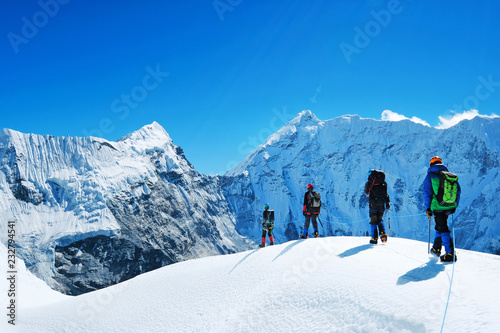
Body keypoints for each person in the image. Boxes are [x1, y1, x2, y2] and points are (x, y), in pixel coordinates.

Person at [424, 156, 461, 262]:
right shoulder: (450, 176)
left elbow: (427, 193)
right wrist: (454, 205)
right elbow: (458, 191)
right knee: (440, 225)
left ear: (431, 164)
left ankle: (450, 254)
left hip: (438, 206)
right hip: (449, 206)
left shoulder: (431, 175)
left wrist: (428, 208)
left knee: (443, 227)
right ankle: (436, 249)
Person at [364, 170, 390, 244]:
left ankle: (374, 238)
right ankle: (383, 233)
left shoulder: (369, 183)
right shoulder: (384, 183)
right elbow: (386, 194)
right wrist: (387, 204)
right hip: (382, 205)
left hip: (373, 205)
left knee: (373, 221)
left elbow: (366, 192)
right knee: (379, 219)